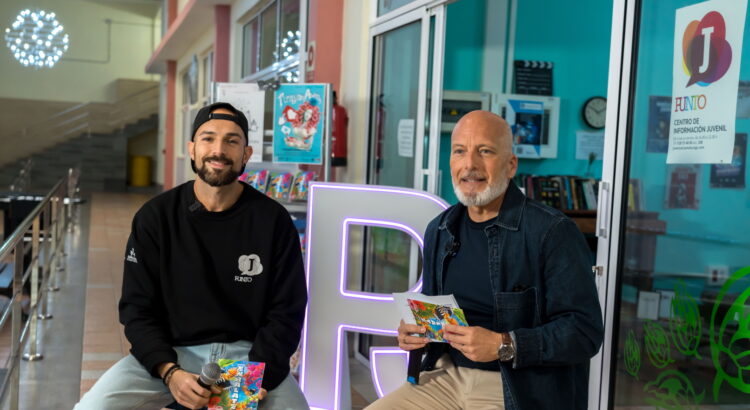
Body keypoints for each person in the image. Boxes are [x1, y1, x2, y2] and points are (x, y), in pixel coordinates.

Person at [75, 102, 309, 410]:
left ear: (246, 154)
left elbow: (287, 312)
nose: (219, 150)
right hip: (173, 354)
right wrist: (169, 372)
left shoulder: (273, 221)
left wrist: (246, 385)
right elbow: (137, 310)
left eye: (232, 141)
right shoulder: (156, 217)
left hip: (248, 358)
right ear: (192, 149)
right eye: (208, 138)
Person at [367, 110, 603, 410]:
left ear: (511, 164)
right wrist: (416, 333)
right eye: (459, 151)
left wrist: (504, 344)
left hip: (517, 386)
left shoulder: (552, 231)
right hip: (446, 376)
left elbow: (584, 332)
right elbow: (437, 318)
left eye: (485, 151)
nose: (470, 164)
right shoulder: (440, 229)